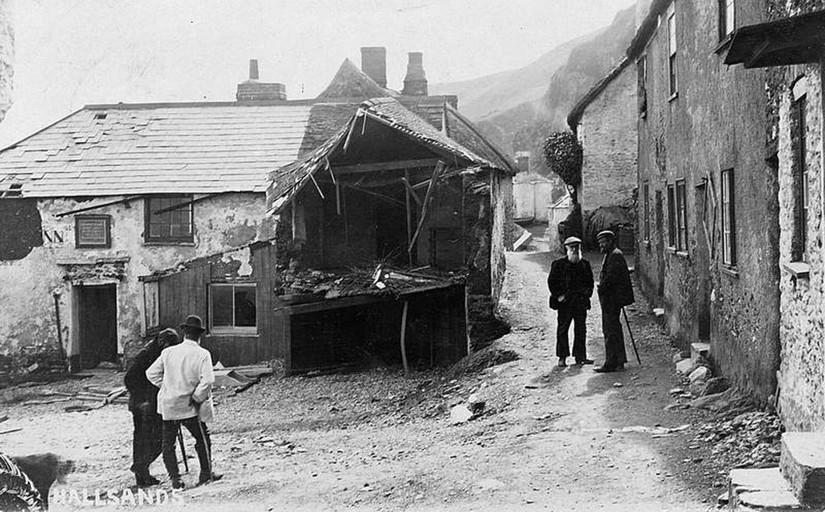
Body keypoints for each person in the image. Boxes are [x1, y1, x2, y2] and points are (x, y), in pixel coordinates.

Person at [146, 315, 221, 489]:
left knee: (168, 443)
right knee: (202, 439)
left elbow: (151, 373)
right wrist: (196, 397)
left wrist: (166, 387)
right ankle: (205, 473)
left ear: (184, 333)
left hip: (169, 405)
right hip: (190, 406)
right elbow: (208, 381)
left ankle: (175, 479)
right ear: (199, 335)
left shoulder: (168, 352)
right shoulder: (202, 354)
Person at [124, 328, 180, 487]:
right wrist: (143, 399)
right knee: (156, 439)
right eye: (169, 346)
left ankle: (142, 475)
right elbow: (129, 378)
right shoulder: (146, 354)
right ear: (162, 342)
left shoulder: (158, 351)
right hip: (143, 404)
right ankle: (141, 468)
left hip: (151, 403)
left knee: (144, 440)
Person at [547, 236, 594, 367]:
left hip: (579, 302)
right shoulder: (558, 264)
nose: (575, 250)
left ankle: (580, 357)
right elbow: (552, 282)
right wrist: (558, 295)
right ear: (567, 249)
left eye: (577, 247)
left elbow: (590, 283)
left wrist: (586, 295)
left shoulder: (585, 264)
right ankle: (562, 357)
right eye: (572, 247)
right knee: (563, 330)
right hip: (565, 303)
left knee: (581, 329)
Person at [594, 230, 635, 373]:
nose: (601, 245)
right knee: (613, 330)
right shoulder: (610, 254)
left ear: (610, 242)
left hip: (612, 299)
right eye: (600, 242)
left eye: (604, 242)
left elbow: (611, 279)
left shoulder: (615, 255)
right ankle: (618, 361)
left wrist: (601, 287)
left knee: (610, 331)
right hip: (611, 299)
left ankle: (611, 363)